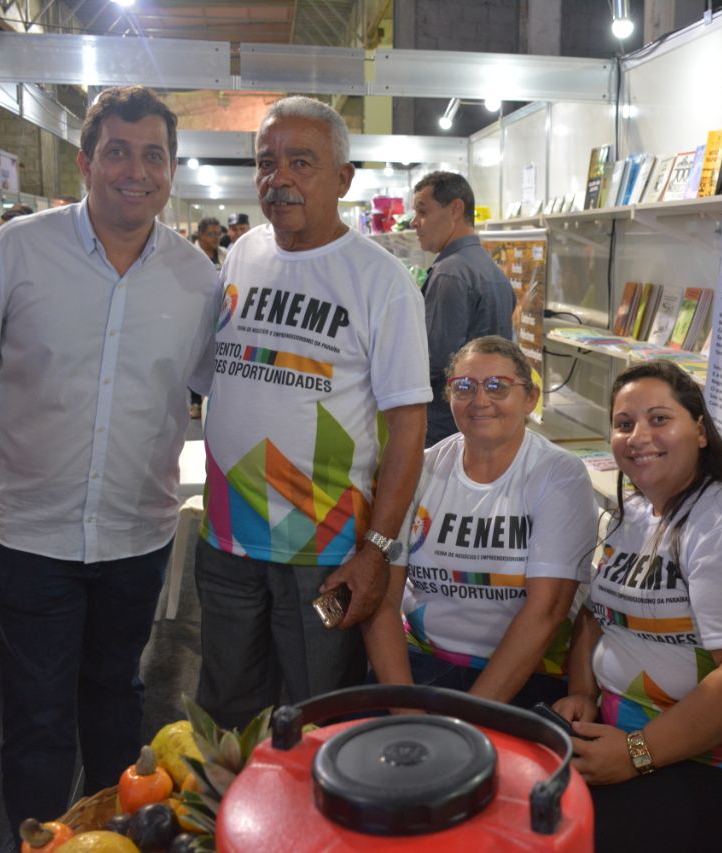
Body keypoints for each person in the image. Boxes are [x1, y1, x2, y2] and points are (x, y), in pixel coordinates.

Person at [0, 85, 221, 844]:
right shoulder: (19, 250)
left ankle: (108, 839)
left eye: (153, 154)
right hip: (31, 532)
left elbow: (227, 395)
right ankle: (41, 837)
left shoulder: (198, 281)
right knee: (38, 716)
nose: (135, 170)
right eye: (117, 150)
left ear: (172, 169)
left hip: (134, 533)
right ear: (86, 161)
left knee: (117, 698)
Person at [195, 95, 430, 729]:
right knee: (226, 715)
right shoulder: (241, 255)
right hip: (226, 539)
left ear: (343, 179)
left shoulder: (382, 281)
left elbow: (410, 425)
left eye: (302, 161)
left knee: (317, 718)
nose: (281, 178)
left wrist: (376, 551)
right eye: (267, 162)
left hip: (324, 553)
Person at [554, 361, 722, 852]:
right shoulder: (634, 514)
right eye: (624, 424)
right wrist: (581, 690)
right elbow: (597, 613)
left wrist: (637, 753)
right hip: (622, 738)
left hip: (715, 765)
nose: (639, 435)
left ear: (700, 432)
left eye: (659, 419)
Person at [363, 336, 596, 708]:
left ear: (531, 399)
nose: (480, 400)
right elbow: (383, 599)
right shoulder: (420, 469)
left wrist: (468, 722)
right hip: (421, 665)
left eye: (497, 387)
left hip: (525, 677)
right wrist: (403, 708)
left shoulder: (558, 475)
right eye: (464, 387)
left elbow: (546, 612)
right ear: (448, 396)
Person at [411, 171, 515, 447]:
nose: (414, 223)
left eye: (423, 211)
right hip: (481, 420)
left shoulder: (450, 273)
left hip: (445, 426)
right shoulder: (491, 271)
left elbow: (432, 360)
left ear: (455, 209)